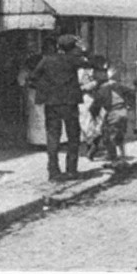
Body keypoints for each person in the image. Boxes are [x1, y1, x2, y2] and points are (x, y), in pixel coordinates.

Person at [30, 33, 89, 180]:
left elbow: (33, 78)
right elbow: (93, 63)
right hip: (70, 102)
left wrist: (47, 88)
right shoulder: (73, 60)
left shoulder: (47, 60)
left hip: (52, 103)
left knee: (52, 137)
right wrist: (84, 50)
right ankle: (71, 170)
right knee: (73, 137)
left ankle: (53, 171)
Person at [89, 61, 132, 165]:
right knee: (119, 134)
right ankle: (121, 155)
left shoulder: (102, 89)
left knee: (108, 136)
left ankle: (114, 159)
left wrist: (94, 114)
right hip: (123, 111)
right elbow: (130, 92)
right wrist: (129, 104)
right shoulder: (117, 85)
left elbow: (96, 105)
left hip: (113, 112)